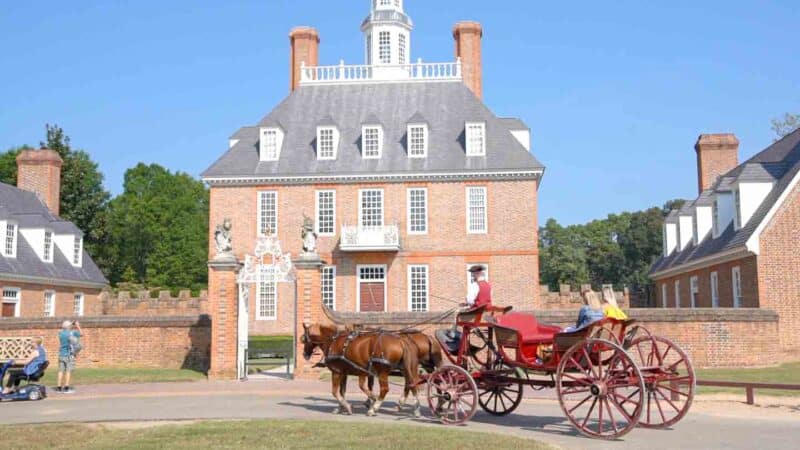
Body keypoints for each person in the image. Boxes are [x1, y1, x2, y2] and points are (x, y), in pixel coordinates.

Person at [57, 320, 81, 394]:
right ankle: (66, 388)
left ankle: (59, 387)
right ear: (68, 327)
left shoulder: (60, 333)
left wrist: (70, 325)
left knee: (60, 371)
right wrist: (77, 326)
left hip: (61, 354)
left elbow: (64, 329)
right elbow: (81, 334)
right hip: (68, 354)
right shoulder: (71, 334)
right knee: (68, 371)